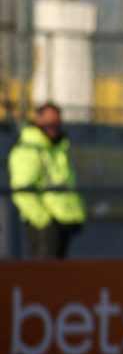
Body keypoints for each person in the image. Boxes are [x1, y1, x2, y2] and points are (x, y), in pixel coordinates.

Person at [8, 101, 87, 259]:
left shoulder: (57, 148)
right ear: (38, 121)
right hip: (44, 225)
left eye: (56, 122)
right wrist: (43, 220)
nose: (53, 127)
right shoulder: (29, 149)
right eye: (49, 122)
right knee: (43, 276)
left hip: (63, 221)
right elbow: (22, 190)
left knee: (58, 276)